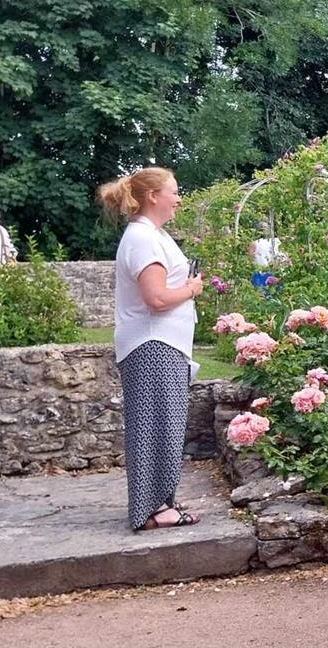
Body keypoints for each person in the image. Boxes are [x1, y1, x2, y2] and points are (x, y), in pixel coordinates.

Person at [97, 168, 202, 531]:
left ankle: (158, 501)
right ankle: (154, 508)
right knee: (156, 426)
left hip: (161, 343)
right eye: (174, 192)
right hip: (153, 344)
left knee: (162, 426)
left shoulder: (151, 235)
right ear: (153, 196)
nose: (178, 199)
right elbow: (156, 298)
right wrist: (193, 289)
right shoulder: (143, 239)